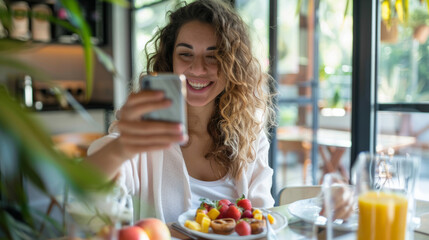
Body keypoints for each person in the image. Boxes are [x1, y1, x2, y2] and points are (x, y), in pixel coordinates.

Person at [86, 0, 276, 223]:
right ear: (170, 60)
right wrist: (123, 146)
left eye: (213, 56)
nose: (197, 68)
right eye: (185, 54)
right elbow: (88, 188)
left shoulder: (251, 135)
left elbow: (263, 220)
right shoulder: (144, 129)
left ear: (233, 65)